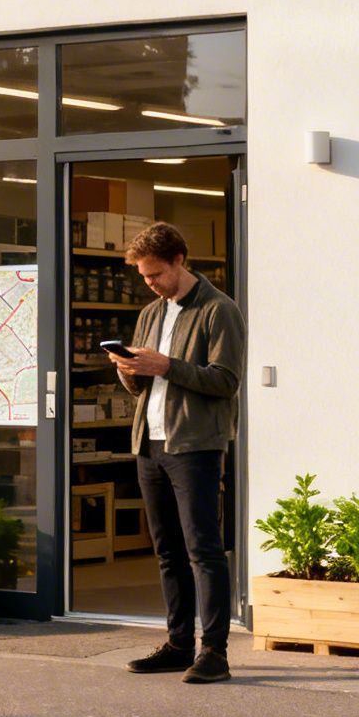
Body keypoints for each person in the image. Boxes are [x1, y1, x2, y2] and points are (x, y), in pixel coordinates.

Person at [113, 221, 246, 684]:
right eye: (144, 277)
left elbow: (226, 381)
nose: (149, 284)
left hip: (195, 446)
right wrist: (129, 370)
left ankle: (215, 653)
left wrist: (166, 365)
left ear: (179, 261)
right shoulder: (151, 313)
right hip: (149, 442)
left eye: (155, 275)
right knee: (168, 551)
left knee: (203, 550)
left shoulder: (219, 310)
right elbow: (141, 386)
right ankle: (177, 644)